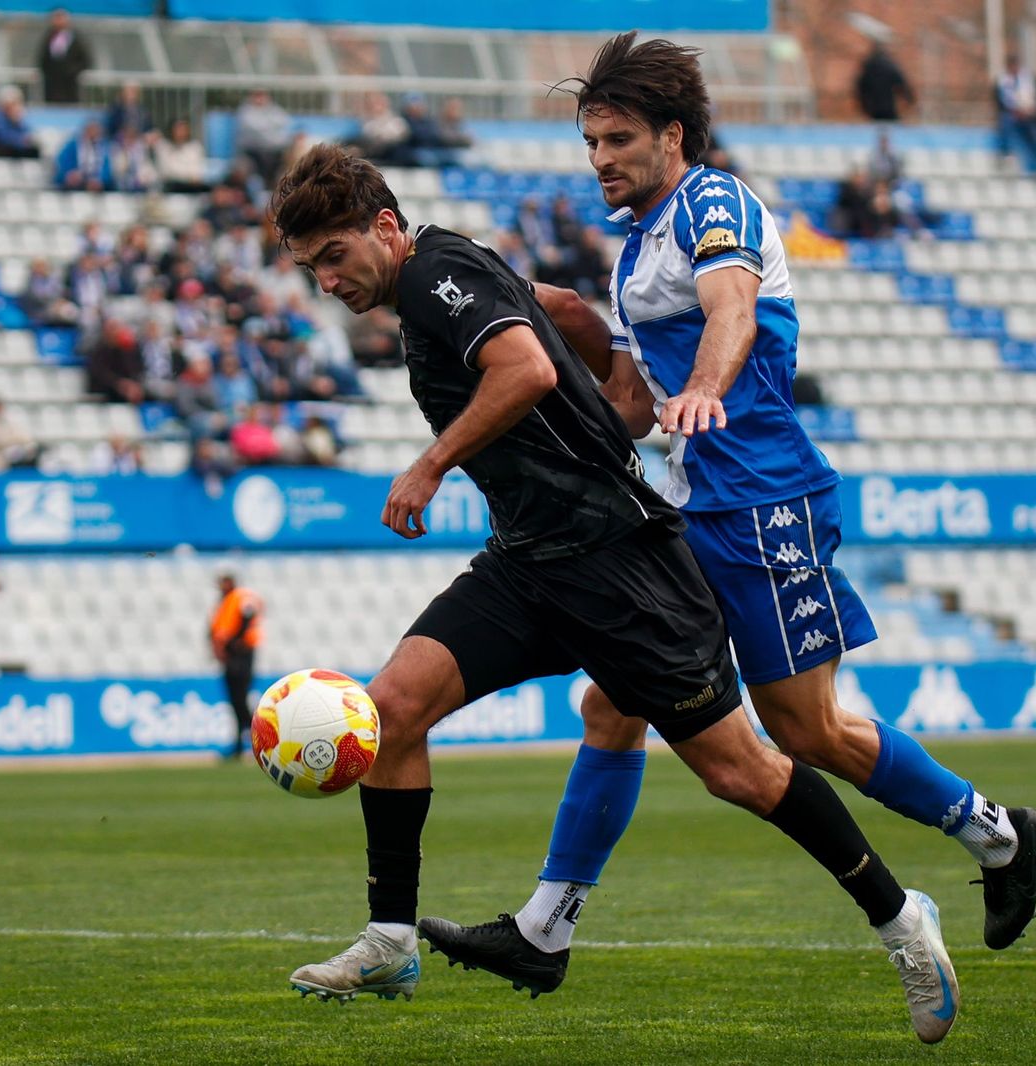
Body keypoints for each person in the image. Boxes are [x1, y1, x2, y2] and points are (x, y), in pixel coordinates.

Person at [415, 34, 1036, 1041]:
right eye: (590, 141)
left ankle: (996, 833)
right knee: (612, 701)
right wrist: (549, 365)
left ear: (674, 135)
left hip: (767, 506)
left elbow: (732, 311)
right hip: (693, 507)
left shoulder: (716, 205)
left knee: (804, 732)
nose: (600, 158)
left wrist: (705, 388)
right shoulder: (633, 253)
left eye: (618, 138)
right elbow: (631, 403)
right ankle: (546, 924)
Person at [271, 143, 960, 1043]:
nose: (327, 280)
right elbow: (552, 309)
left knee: (739, 771)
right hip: (528, 562)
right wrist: (617, 384)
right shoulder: (434, 280)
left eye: (334, 256)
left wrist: (432, 463)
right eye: (310, 267)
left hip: (620, 565)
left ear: (386, 228)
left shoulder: (436, 269)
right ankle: (391, 937)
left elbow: (528, 367)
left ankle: (901, 919)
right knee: (390, 708)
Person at [209, 571, 262, 759]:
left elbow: (248, 615)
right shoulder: (225, 602)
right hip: (232, 656)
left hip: (241, 654)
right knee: (236, 701)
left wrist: (235, 642)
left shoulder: (240, 597)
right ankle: (240, 744)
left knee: (239, 700)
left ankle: (258, 736)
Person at [994, 54, 1036, 176]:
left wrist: (1029, 111)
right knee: (1005, 124)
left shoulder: (1029, 79)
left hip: (1029, 114)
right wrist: (1015, 111)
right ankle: (1006, 154)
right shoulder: (1002, 81)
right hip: (1012, 114)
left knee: (1035, 135)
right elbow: (1001, 102)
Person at [37, 8, 91, 105]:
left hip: (70, 85)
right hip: (53, 85)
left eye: (60, 18)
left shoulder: (75, 38)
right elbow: (43, 59)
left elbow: (85, 60)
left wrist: (72, 71)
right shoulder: (49, 37)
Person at [855, 39, 914, 122]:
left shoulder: (868, 67)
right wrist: (909, 98)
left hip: (873, 109)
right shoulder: (889, 66)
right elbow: (901, 83)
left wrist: (865, 106)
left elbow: (861, 88)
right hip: (889, 107)